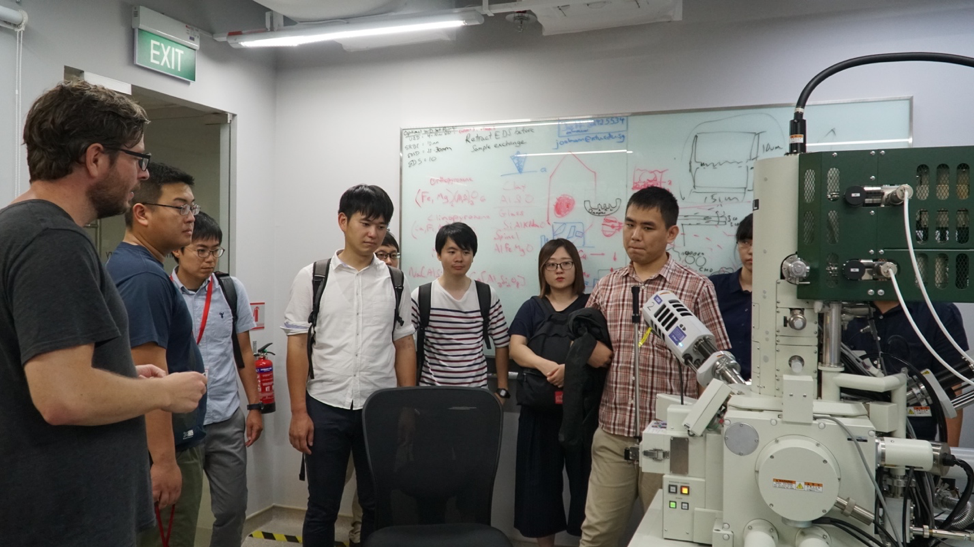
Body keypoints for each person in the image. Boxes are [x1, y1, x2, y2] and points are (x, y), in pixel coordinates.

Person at [0, 80, 206, 547]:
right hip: (64, 517)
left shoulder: (17, 227)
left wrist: (120, 375)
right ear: (95, 158)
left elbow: (29, 369)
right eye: (137, 159)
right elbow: (64, 398)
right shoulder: (53, 242)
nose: (141, 174)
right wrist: (164, 394)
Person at [579, 187, 729, 547]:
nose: (635, 235)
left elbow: (717, 368)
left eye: (648, 227)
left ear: (671, 233)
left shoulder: (695, 288)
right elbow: (581, 342)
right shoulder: (607, 285)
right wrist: (585, 349)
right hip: (613, 436)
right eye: (629, 224)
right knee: (596, 536)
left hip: (673, 442)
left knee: (670, 539)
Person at [282, 185, 416, 547]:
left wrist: (406, 406)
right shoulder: (313, 277)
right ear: (343, 221)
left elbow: (404, 345)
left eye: (382, 226)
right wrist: (299, 412)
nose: (374, 234)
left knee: (376, 504)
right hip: (325, 406)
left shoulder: (396, 281)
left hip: (380, 408)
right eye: (366, 223)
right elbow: (297, 346)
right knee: (322, 505)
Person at [108, 162, 208, 547]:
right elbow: (151, 381)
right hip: (164, 449)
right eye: (180, 207)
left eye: (193, 208)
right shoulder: (146, 279)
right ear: (142, 212)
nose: (190, 218)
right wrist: (165, 462)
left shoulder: (131, 265)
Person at [171, 211, 263, 547]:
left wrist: (254, 406)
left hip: (225, 416)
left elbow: (244, 353)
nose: (210, 259)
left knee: (232, 508)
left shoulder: (230, 289)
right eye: (201, 250)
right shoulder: (163, 291)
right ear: (179, 250)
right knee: (179, 511)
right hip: (179, 422)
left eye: (216, 250)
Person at [510, 239, 591, 547]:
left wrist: (569, 370)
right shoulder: (531, 307)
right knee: (539, 487)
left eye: (566, 263)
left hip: (581, 414)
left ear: (576, 267)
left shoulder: (590, 305)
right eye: (551, 264)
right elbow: (517, 348)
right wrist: (549, 367)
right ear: (542, 270)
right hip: (538, 412)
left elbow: (599, 349)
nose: (559, 270)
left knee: (586, 486)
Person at [342, 231, 400, 547]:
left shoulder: (398, 289)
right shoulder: (335, 283)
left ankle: (360, 534)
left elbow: (404, 346)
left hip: (380, 403)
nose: (388, 260)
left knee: (373, 486)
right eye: (383, 254)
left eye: (393, 254)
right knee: (334, 482)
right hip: (337, 402)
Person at [843, 300, 967, 446]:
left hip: (916, 440)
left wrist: (949, 456)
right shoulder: (839, 310)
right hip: (851, 436)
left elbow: (951, 390)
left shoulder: (939, 312)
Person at [410, 222, 511, 399]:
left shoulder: (486, 295)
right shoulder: (421, 296)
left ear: (473, 256)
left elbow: (502, 343)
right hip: (431, 396)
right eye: (452, 251)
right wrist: (409, 398)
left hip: (476, 396)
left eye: (466, 252)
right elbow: (404, 347)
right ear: (439, 254)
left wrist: (502, 389)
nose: (459, 258)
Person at [709, 213, 753, 379]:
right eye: (745, 242)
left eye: (760, 243)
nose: (751, 251)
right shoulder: (714, 288)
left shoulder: (784, 296)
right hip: (718, 386)